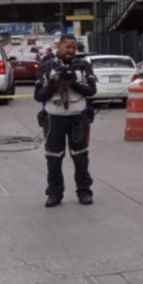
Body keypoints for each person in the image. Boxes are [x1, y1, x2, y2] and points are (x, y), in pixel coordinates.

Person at [34, 35, 97, 208]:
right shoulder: (46, 65)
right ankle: (54, 193)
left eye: (73, 47)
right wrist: (54, 83)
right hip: (54, 119)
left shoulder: (83, 65)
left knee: (81, 157)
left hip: (78, 118)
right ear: (59, 46)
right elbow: (38, 96)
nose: (70, 50)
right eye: (67, 47)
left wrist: (73, 82)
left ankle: (84, 191)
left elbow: (92, 91)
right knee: (53, 159)